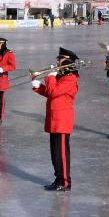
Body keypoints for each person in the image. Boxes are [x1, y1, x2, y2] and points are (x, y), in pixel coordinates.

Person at [32, 47, 79, 191]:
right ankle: (58, 179)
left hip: (62, 120)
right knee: (55, 153)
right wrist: (39, 87)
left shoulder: (70, 78)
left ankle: (64, 182)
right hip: (55, 118)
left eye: (60, 59)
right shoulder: (61, 77)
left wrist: (50, 76)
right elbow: (51, 93)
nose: (57, 62)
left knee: (62, 154)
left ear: (67, 61)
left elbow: (53, 92)